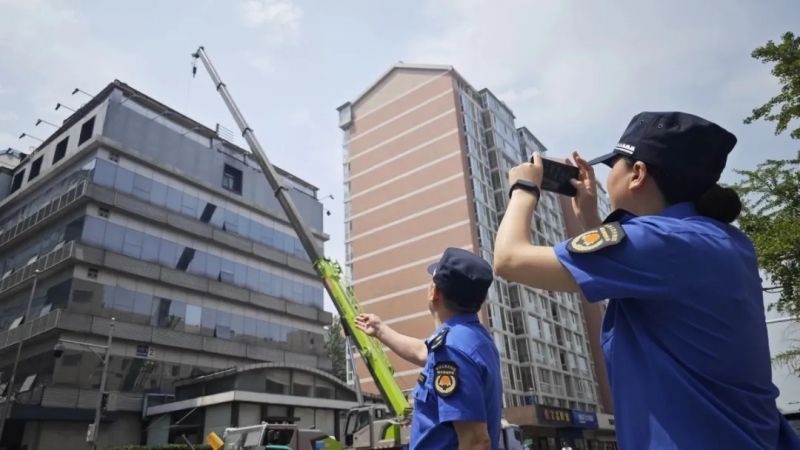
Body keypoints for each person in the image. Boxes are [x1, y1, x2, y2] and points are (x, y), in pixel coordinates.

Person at [493, 111, 800, 449]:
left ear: (637, 174)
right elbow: (650, 295)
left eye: (615, 168)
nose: (608, 180)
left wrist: (523, 187)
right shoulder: (723, 242)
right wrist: (590, 218)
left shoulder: (658, 242)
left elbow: (509, 260)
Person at [355, 247, 502, 450]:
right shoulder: (472, 340)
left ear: (435, 292)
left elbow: (476, 441)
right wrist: (380, 330)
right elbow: (423, 352)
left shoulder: (452, 350)